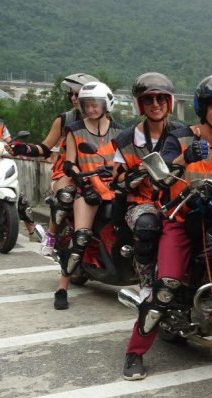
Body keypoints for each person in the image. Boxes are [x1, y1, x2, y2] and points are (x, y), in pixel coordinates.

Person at [123, 74, 212, 381]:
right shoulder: (179, 137)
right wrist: (184, 157)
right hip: (181, 220)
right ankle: (134, 353)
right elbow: (159, 177)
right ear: (202, 107)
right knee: (165, 288)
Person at [11, 73, 100, 263]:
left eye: (78, 94)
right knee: (65, 193)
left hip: (96, 170)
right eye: (71, 95)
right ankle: (50, 236)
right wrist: (24, 148)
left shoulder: (103, 119)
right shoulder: (65, 119)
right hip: (66, 170)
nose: (74, 98)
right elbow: (45, 148)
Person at [112, 72, 183, 301]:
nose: (155, 104)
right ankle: (146, 286)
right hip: (142, 203)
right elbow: (117, 181)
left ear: (169, 102)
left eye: (160, 99)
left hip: (176, 201)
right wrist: (141, 171)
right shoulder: (127, 139)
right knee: (147, 226)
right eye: (148, 100)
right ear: (140, 104)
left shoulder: (183, 133)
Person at [59, 82, 123, 310]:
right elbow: (69, 163)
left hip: (115, 188)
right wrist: (83, 184)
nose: (91, 108)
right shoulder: (74, 130)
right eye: (87, 104)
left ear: (106, 104)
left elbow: (127, 160)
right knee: (81, 236)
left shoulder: (121, 132)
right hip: (87, 187)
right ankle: (62, 287)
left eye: (95, 104)